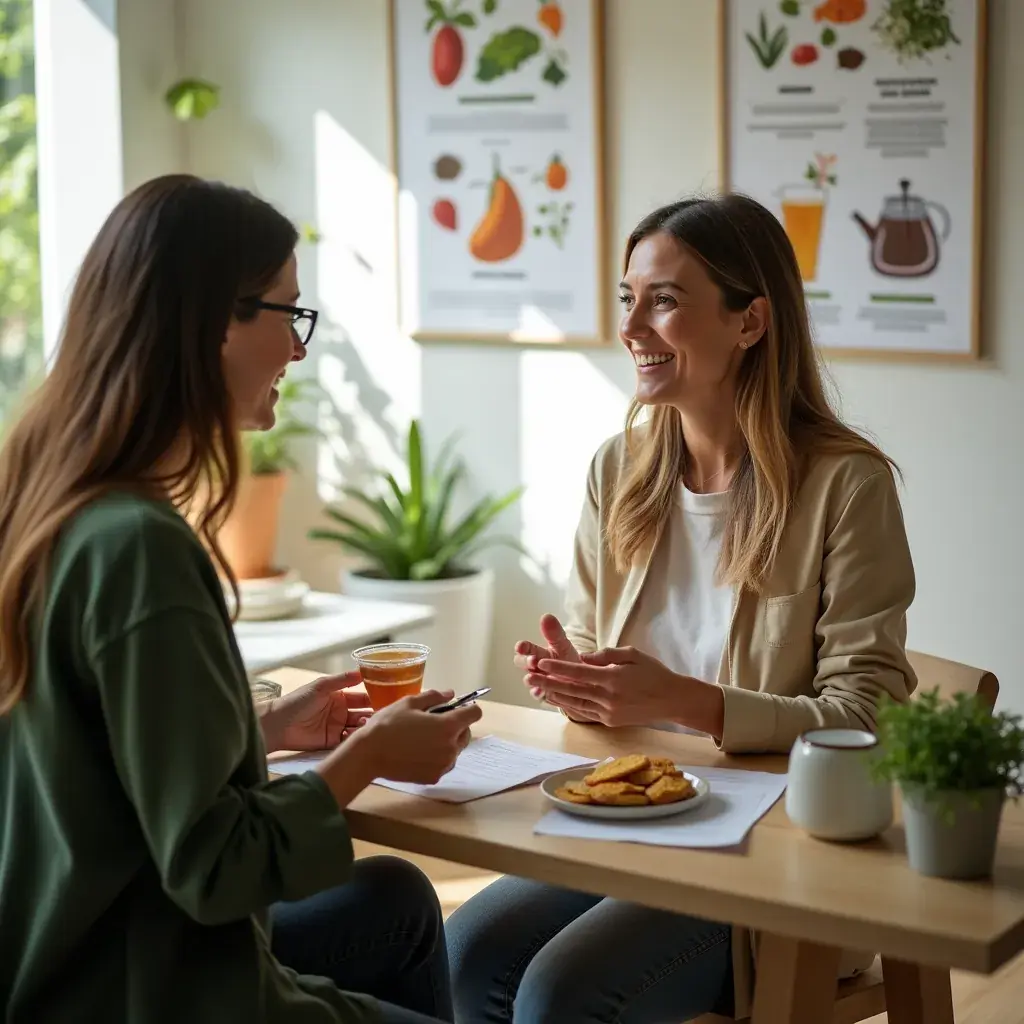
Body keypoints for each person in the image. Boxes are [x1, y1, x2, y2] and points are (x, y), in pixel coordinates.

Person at [0, 175, 482, 1024]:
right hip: (150, 987)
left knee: (395, 900)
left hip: (52, 963)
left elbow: (88, 766)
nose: (299, 351)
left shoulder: (41, 506)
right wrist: (367, 756)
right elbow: (216, 870)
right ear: (215, 324)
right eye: (289, 314)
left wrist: (254, 732)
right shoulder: (141, 551)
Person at [446, 194, 917, 1023]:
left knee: (562, 996)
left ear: (751, 321)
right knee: (465, 956)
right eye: (629, 298)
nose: (632, 326)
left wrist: (683, 703)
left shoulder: (848, 485)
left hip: (771, 860)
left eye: (663, 300)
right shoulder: (618, 469)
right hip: (626, 822)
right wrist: (576, 680)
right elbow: (596, 648)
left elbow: (867, 715)